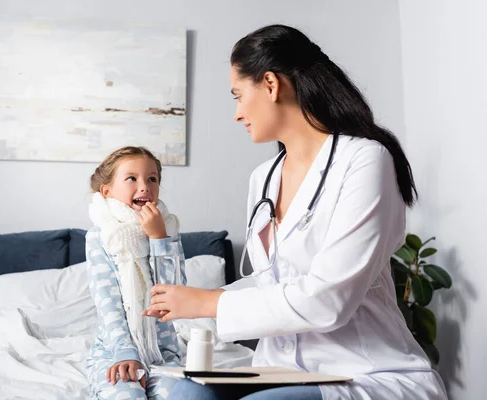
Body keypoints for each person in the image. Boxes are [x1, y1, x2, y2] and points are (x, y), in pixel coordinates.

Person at [144, 25, 448, 400]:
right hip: (282, 368)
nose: (237, 114)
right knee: (187, 393)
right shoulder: (264, 178)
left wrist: (208, 302)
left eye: (239, 96)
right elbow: (273, 281)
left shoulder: (364, 160)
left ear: (271, 84)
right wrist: (189, 302)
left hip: (362, 371)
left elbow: (329, 299)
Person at [85, 146, 186, 399]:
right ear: (106, 191)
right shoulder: (100, 236)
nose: (144, 187)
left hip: (163, 355)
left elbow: (176, 295)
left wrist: (159, 239)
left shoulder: (168, 232)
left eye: (152, 179)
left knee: (176, 396)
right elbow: (108, 304)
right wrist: (126, 354)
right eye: (132, 178)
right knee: (127, 395)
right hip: (114, 353)